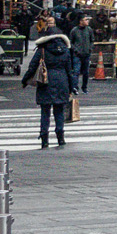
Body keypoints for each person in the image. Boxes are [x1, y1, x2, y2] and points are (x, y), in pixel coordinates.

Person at [20, 15, 73, 148]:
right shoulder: (66, 51)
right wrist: (72, 88)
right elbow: (70, 71)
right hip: (62, 82)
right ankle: (60, 137)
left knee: (45, 111)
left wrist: (25, 80)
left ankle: (44, 138)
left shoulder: (42, 50)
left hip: (46, 81)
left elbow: (32, 67)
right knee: (59, 110)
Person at [68, 12, 95, 93]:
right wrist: (75, 50)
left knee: (86, 72)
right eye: (85, 20)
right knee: (76, 71)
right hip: (77, 54)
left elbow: (92, 40)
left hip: (86, 54)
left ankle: (84, 87)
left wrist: (90, 48)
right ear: (80, 21)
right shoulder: (74, 30)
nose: (87, 21)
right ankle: (75, 87)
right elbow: (70, 42)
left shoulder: (89, 30)